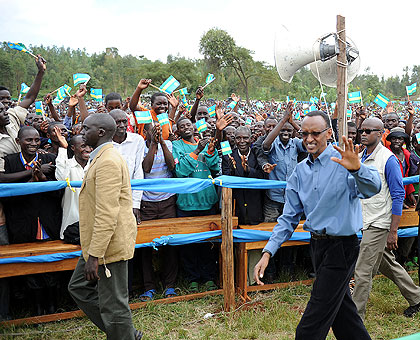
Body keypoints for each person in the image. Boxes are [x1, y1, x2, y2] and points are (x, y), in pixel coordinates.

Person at [254, 111, 381, 340]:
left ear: (328, 133)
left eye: (315, 133)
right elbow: (289, 217)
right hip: (316, 246)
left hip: (342, 247)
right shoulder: (300, 171)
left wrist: (356, 169)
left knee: (310, 327)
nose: (309, 139)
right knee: (345, 318)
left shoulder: (344, 160)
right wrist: (267, 251)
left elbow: (373, 188)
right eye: (304, 134)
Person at [68, 114, 142, 340]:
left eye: (86, 128)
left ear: (100, 132)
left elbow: (107, 212)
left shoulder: (108, 160)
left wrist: (95, 256)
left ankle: (124, 335)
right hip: (97, 243)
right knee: (79, 287)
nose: (81, 132)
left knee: (114, 303)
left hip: (108, 245)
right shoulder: (100, 156)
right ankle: (125, 333)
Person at [352, 118, 420, 319]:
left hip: (379, 222)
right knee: (387, 264)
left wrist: (393, 231)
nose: (363, 134)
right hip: (366, 219)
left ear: (380, 133)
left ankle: (355, 317)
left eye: (368, 130)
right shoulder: (361, 156)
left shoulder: (388, 159)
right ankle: (416, 297)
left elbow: (398, 195)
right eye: (361, 130)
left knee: (363, 271)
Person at [173, 117, 219, 292]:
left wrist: (210, 151)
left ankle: (208, 277)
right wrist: (197, 150)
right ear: (178, 131)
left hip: (207, 200)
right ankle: (192, 278)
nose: (186, 127)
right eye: (181, 126)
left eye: (188, 124)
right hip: (187, 202)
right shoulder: (177, 146)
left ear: (193, 127)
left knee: (208, 243)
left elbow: (214, 167)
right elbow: (180, 171)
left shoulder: (206, 143)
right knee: (188, 244)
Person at [138, 123, 178, 301]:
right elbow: (146, 168)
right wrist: (153, 143)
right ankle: (149, 286)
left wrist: (161, 142)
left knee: (169, 244)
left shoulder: (168, 144)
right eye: (151, 131)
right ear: (144, 132)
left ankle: (169, 285)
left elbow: (172, 167)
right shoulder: (140, 146)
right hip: (147, 202)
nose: (155, 133)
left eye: (158, 130)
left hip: (167, 200)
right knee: (146, 246)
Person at [109, 109, 145, 224]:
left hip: (129, 197)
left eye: (124, 121)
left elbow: (138, 171)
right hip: (109, 198)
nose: (122, 125)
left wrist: (136, 204)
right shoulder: (104, 143)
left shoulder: (137, 140)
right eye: (117, 122)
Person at [54, 131, 91, 238]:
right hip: (71, 221)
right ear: (73, 148)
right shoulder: (67, 165)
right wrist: (63, 148)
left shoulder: (95, 164)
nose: (88, 149)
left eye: (89, 146)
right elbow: (60, 178)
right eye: (83, 146)